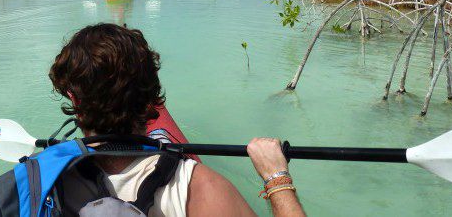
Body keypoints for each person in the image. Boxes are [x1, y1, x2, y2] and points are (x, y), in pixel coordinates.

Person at [50, 23, 306, 216]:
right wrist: (277, 179)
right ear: (150, 94)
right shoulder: (202, 187)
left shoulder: (45, 181)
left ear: (74, 99)